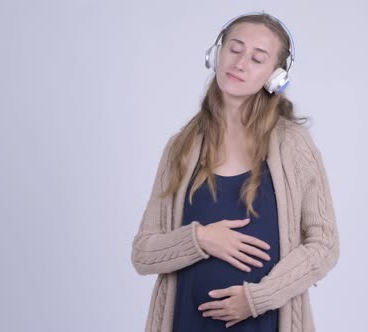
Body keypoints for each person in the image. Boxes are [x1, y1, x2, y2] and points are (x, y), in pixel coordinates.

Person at [131, 12, 339, 332]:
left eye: (257, 58)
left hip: (265, 324)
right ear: (216, 54)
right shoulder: (181, 148)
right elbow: (143, 253)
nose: (240, 63)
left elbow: (324, 245)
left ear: (275, 76)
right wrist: (200, 239)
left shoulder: (294, 145)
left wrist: (258, 298)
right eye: (235, 49)